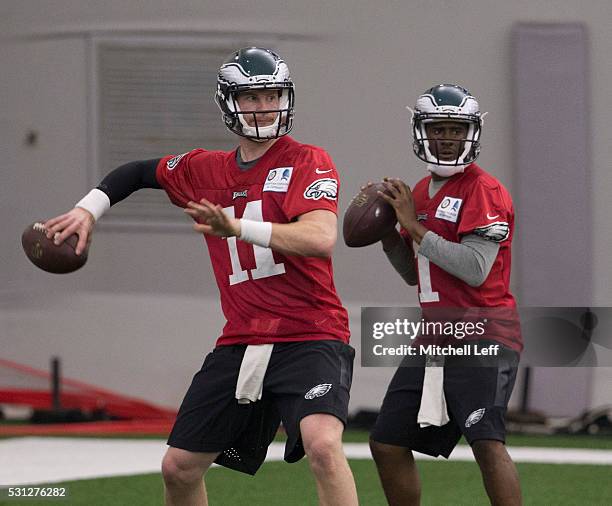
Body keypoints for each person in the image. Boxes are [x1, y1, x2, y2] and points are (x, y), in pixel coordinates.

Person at [44, 47, 358, 506]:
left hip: (311, 333)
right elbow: (136, 172)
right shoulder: (204, 168)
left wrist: (237, 227)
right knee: (179, 467)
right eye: (250, 98)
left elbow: (320, 236)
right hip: (241, 338)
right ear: (229, 103)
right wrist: (88, 210)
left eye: (270, 95)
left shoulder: (307, 159)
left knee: (324, 446)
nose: (262, 106)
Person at [367, 84, 523, 505]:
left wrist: (414, 227)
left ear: (471, 132)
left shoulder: (484, 190)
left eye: (456, 128)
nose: (448, 137)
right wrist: (387, 236)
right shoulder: (417, 192)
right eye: (439, 128)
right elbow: (413, 274)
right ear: (422, 132)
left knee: (486, 442)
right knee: (386, 442)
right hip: (435, 336)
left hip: (484, 332)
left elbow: (475, 269)